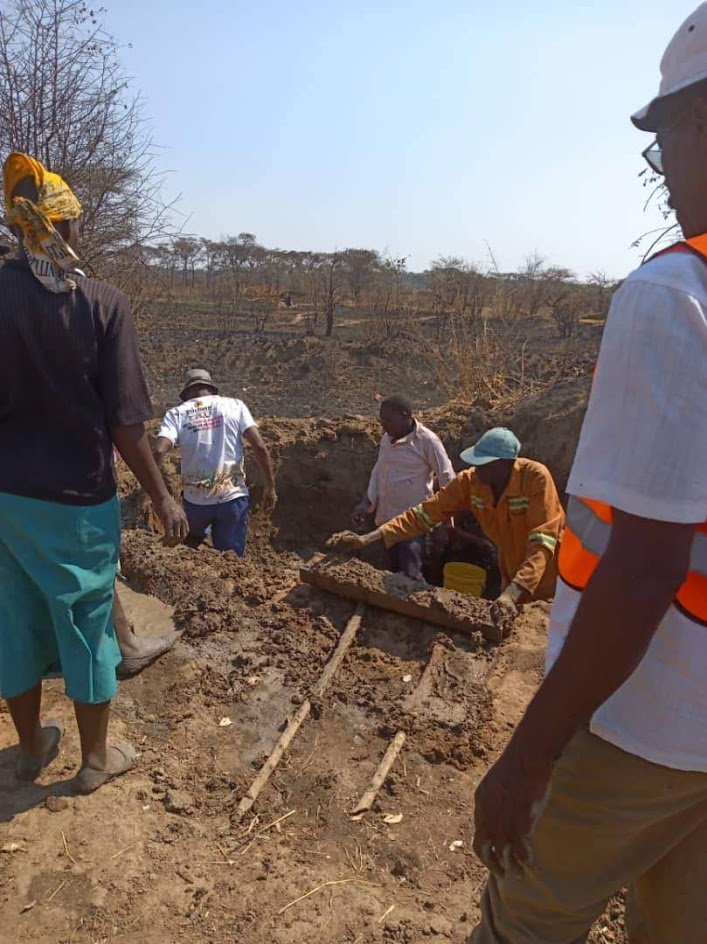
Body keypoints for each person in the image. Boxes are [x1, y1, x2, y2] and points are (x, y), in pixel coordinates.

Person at [467, 7, 707, 942]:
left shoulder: (670, 301)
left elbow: (634, 565)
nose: (666, 174)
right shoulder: (466, 488)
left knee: (525, 917)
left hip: (652, 716)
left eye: (664, 142)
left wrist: (528, 754)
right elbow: (429, 521)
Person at [0, 152, 188, 793]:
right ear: (67, 229)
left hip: (6, 498)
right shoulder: (104, 305)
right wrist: (163, 497)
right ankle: (95, 761)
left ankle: (28, 751)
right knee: (85, 624)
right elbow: (127, 425)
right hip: (78, 499)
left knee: (13, 619)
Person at [331, 427, 564, 618]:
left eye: (485, 464)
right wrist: (366, 539)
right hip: (510, 570)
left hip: (551, 578)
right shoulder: (471, 482)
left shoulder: (534, 479)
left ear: (505, 464)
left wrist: (513, 592)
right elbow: (423, 514)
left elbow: (542, 543)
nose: (477, 468)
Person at [153, 369, 276, 555]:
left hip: (195, 502)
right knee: (231, 559)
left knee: (189, 551)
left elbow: (159, 450)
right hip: (232, 500)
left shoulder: (177, 413)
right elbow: (259, 446)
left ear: (187, 394)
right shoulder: (235, 405)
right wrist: (270, 485)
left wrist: (157, 494)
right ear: (211, 389)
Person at [352, 394, 455, 581]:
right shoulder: (387, 439)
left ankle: (418, 605)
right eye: (381, 420)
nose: (383, 425)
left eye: (388, 420)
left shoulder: (427, 441)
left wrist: (444, 524)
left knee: (411, 573)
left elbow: (447, 478)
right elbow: (379, 471)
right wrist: (367, 502)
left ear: (405, 416)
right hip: (387, 520)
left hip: (414, 522)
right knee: (393, 572)